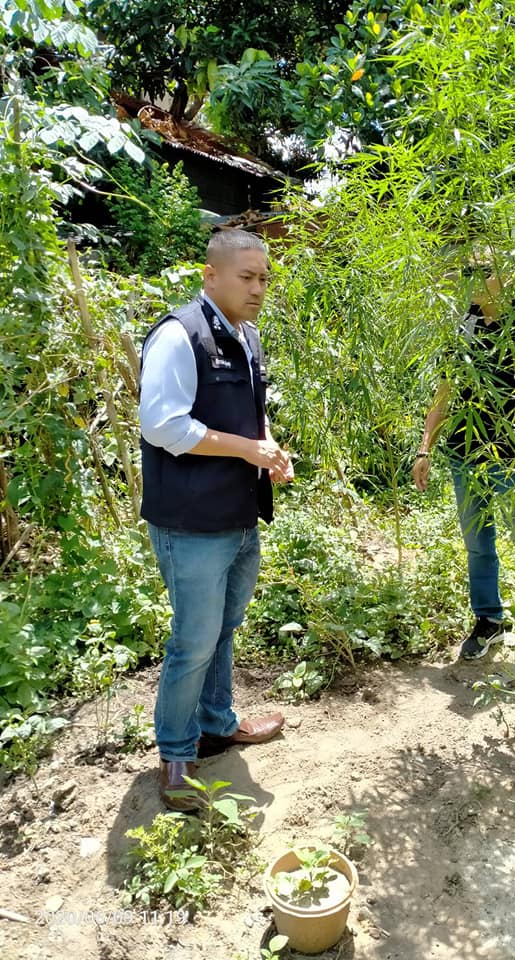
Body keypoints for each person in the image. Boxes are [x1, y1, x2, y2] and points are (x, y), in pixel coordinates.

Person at [139, 228, 294, 810]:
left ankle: (218, 723)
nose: (258, 289)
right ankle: (177, 755)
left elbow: (250, 414)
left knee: (224, 628)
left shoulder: (247, 335)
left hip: (238, 515)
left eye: (264, 279)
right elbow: (163, 426)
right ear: (211, 275)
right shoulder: (179, 336)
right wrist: (246, 449)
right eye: (246, 277)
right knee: (194, 640)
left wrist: (267, 448)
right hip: (191, 523)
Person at [412, 263, 515, 660]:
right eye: (466, 272)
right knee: (477, 546)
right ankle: (489, 620)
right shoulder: (464, 330)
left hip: (512, 459)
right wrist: (425, 448)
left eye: (481, 272)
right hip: (465, 456)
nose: (471, 281)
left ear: (507, 277)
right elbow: (443, 394)